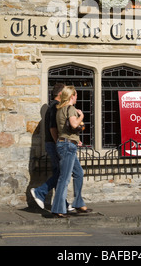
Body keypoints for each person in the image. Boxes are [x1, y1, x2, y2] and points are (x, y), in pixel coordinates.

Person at [31, 82, 73, 211]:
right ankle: (40, 192)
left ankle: (62, 203)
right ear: (60, 94)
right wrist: (59, 144)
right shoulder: (56, 107)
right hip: (54, 144)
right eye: (66, 92)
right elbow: (53, 128)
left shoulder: (53, 106)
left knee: (59, 173)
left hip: (52, 144)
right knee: (62, 173)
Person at [51, 85, 92, 218]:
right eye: (76, 95)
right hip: (68, 146)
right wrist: (81, 116)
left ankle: (78, 203)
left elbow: (65, 129)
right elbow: (74, 125)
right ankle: (58, 209)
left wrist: (75, 139)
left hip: (65, 143)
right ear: (71, 96)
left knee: (79, 173)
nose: (77, 98)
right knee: (65, 178)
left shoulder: (60, 109)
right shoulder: (71, 108)